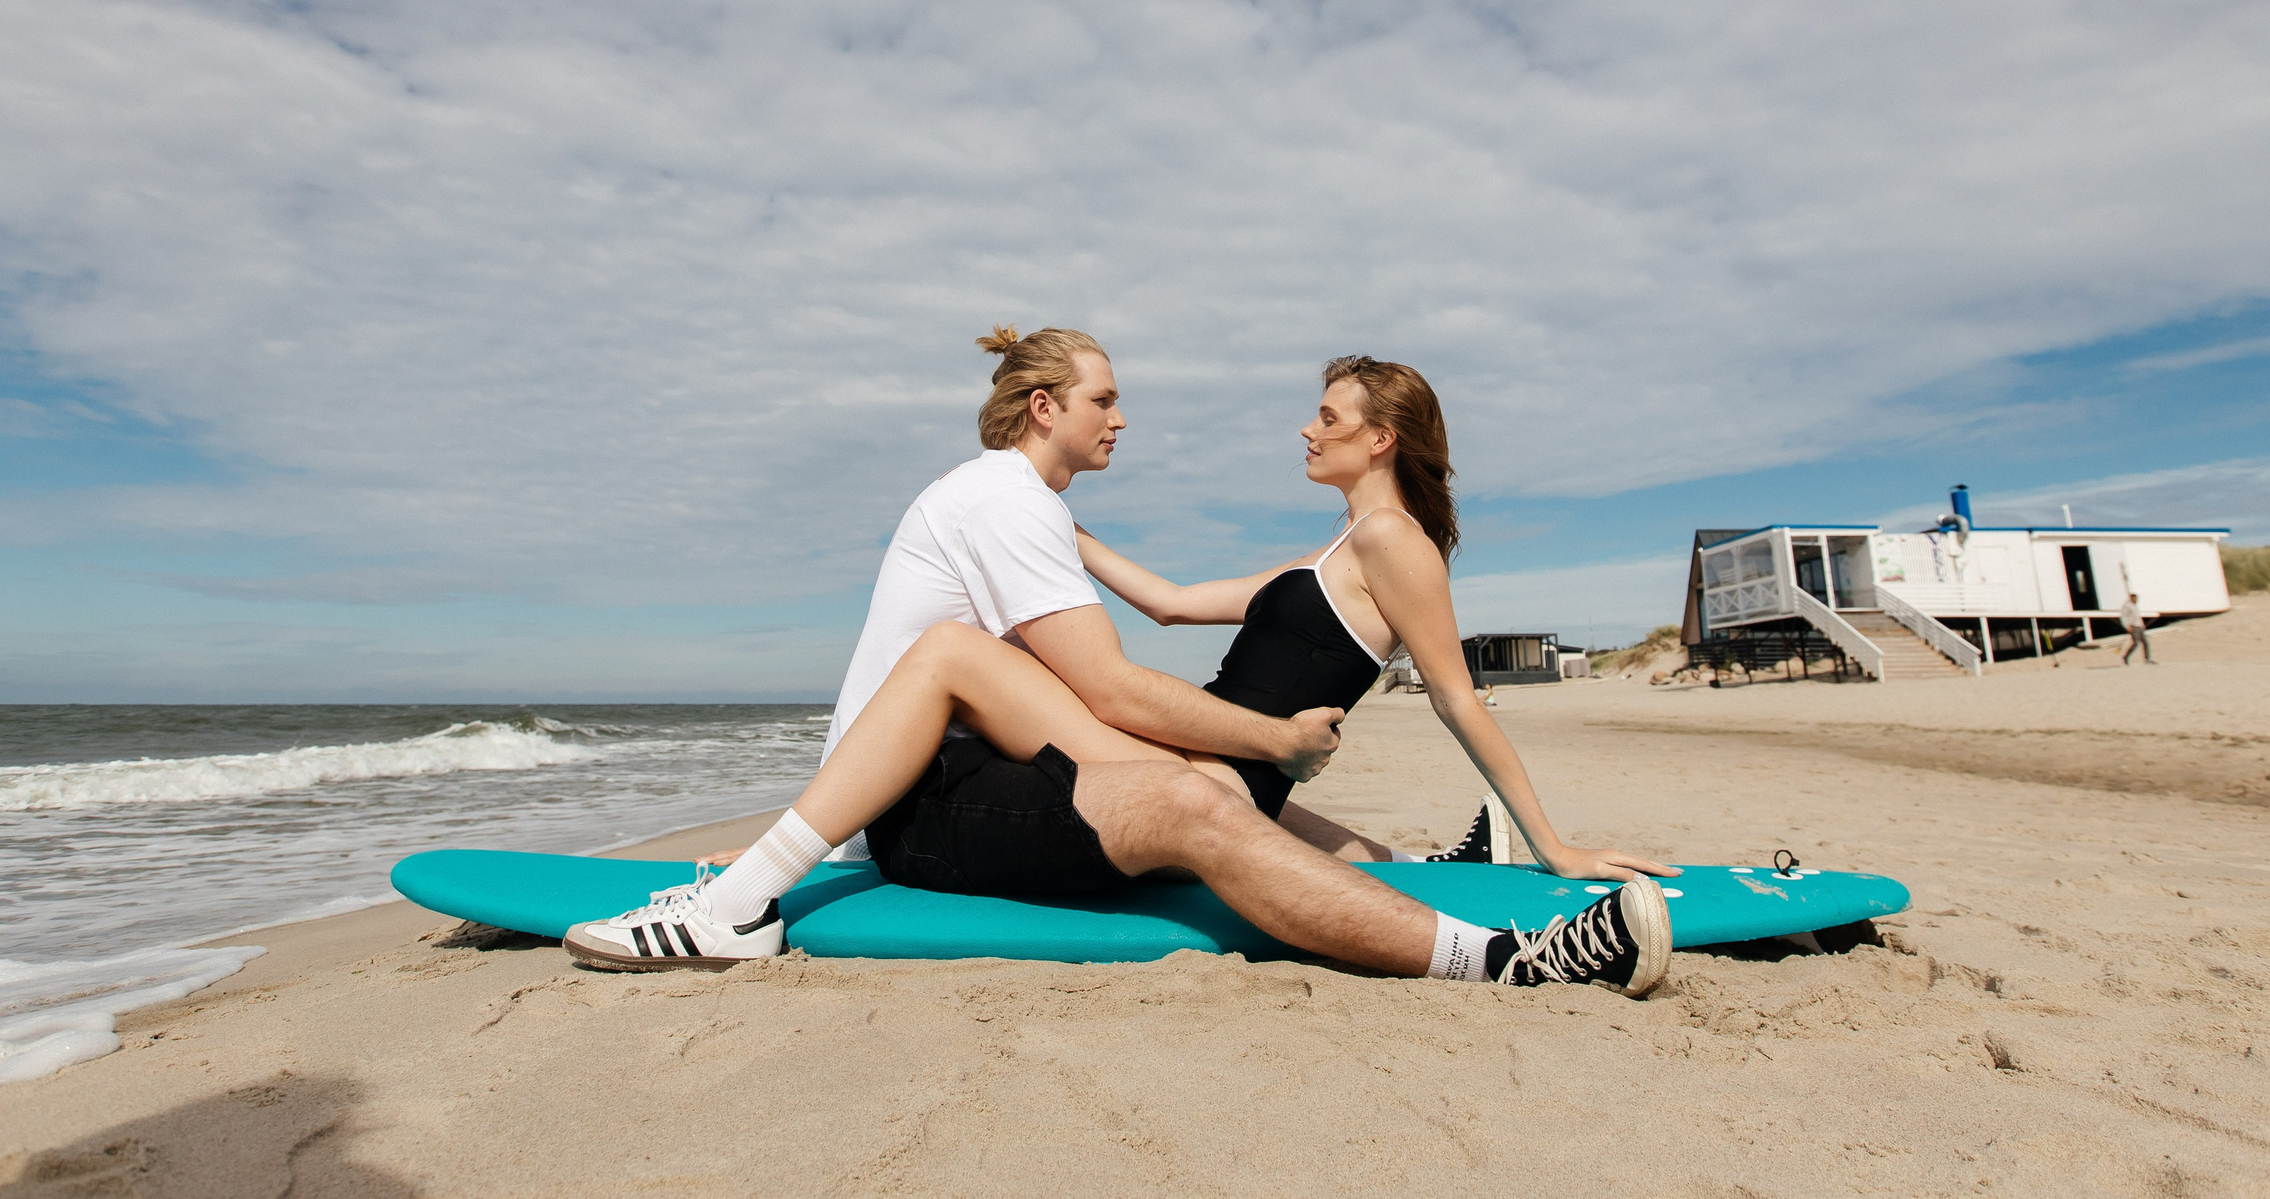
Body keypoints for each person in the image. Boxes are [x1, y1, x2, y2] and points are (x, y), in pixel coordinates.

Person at [563, 331, 1674, 993]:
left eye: (1325, 414)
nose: (1122, 419)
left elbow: (1453, 694)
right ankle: (1499, 953)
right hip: (1039, 788)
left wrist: (1552, 841)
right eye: (1105, 401)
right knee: (1223, 808)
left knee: (1216, 801)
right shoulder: (1019, 501)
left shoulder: (1383, 543)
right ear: (1047, 409)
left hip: (1085, 774)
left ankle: (746, 890)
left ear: (1377, 439)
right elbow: (1151, 624)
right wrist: (1051, 517)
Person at [2118, 591, 2153, 665]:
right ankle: (2126, 656)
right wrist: (2127, 626)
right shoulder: (2127, 606)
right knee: (2136, 643)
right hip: (2133, 626)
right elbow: (2124, 616)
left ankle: (2147, 659)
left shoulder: (2135, 606)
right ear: (2131, 598)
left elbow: (2137, 617)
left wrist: (2142, 625)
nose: (2135, 600)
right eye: (2134, 598)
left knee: (2145, 642)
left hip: (2139, 626)